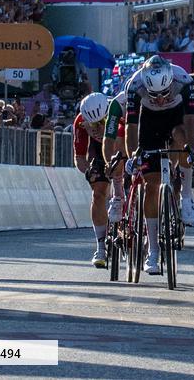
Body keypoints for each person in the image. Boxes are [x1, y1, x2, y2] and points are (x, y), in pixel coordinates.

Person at [124, 56, 194, 275]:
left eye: (164, 93)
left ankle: (186, 197)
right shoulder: (135, 85)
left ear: (170, 84)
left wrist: (193, 153)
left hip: (176, 118)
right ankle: (153, 250)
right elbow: (131, 127)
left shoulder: (183, 80)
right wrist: (133, 157)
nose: (159, 99)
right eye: (153, 94)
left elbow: (191, 121)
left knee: (182, 138)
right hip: (148, 122)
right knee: (152, 186)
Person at [73, 93, 125, 268]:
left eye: (101, 123)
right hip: (98, 151)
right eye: (92, 124)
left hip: (120, 145)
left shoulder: (117, 114)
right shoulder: (80, 121)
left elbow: (123, 146)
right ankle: (100, 247)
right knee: (98, 193)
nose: (96, 128)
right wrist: (90, 173)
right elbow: (80, 158)